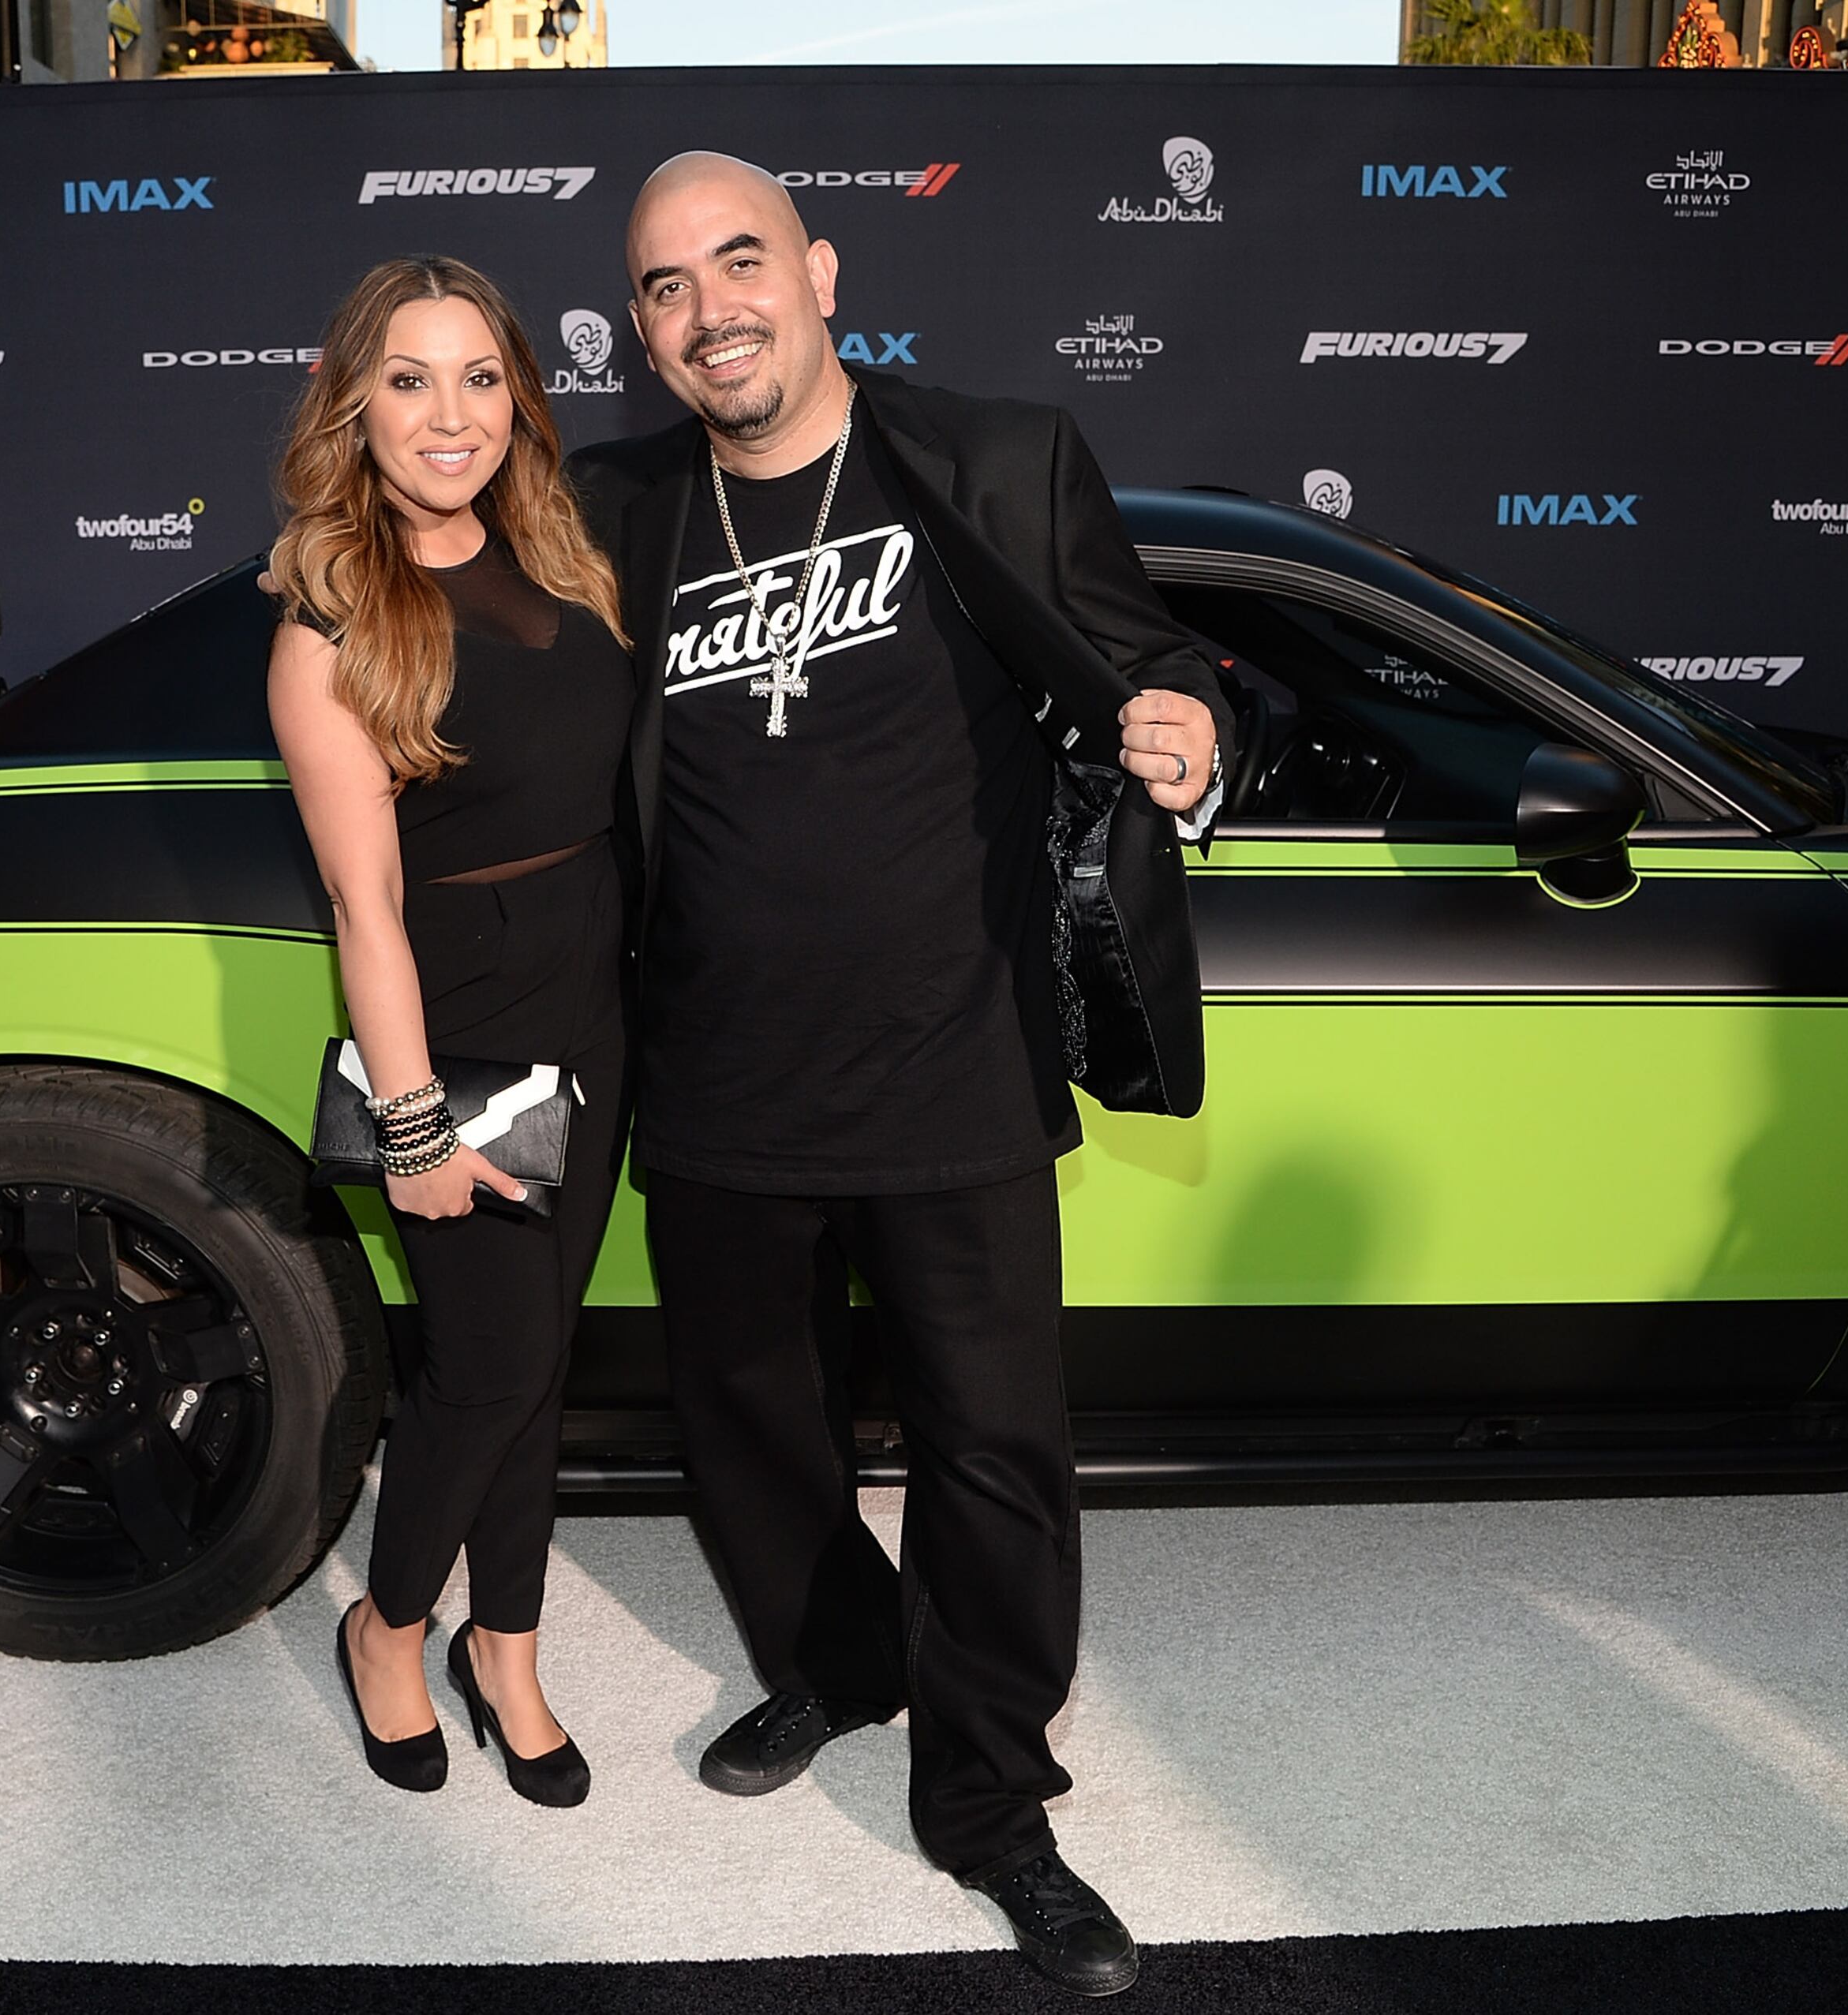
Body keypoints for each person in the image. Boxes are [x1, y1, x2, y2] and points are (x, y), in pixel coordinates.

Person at [570, 155, 1232, 1995]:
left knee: (994, 1452)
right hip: (717, 1078)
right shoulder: (614, 507)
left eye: (741, 260)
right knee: (752, 1428)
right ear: (643, 332)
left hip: (953, 1062)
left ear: (822, 270)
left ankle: (994, 1801)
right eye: (667, 285)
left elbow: (1156, 660)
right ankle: (840, 1663)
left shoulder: (995, 460)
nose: (712, 307)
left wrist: (1188, 729)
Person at [267, 256, 633, 1809]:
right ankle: (390, 1624)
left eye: (479, 377)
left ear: (518, 396)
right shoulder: (332, 620)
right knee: (489, 1363)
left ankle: (512, 1647)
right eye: (409, 380)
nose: (449, 415)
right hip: (461, 1023)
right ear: (356, 404)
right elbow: (365, 908)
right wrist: (411, 1124)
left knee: (539, 1359)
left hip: (596, 998)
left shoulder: (562, 553)